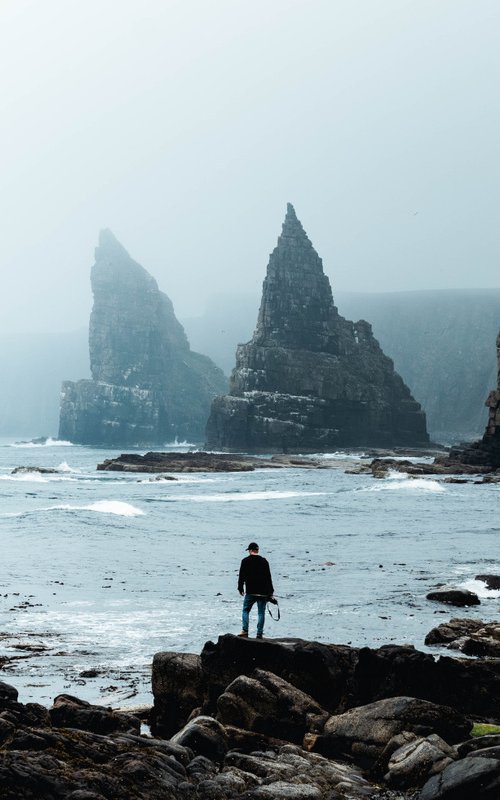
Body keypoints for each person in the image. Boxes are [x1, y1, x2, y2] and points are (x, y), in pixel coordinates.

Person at [237, 542, 274, 639]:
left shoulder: (245, 561)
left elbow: (241, 577)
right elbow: (268, 578)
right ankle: (259, 634)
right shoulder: (264, 561)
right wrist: (271, 592)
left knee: (245, 610)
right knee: (261, 613)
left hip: (251, 591)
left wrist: (240, 588)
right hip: (263, 592)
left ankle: (245, 631)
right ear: (257, 550)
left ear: (250, 550)